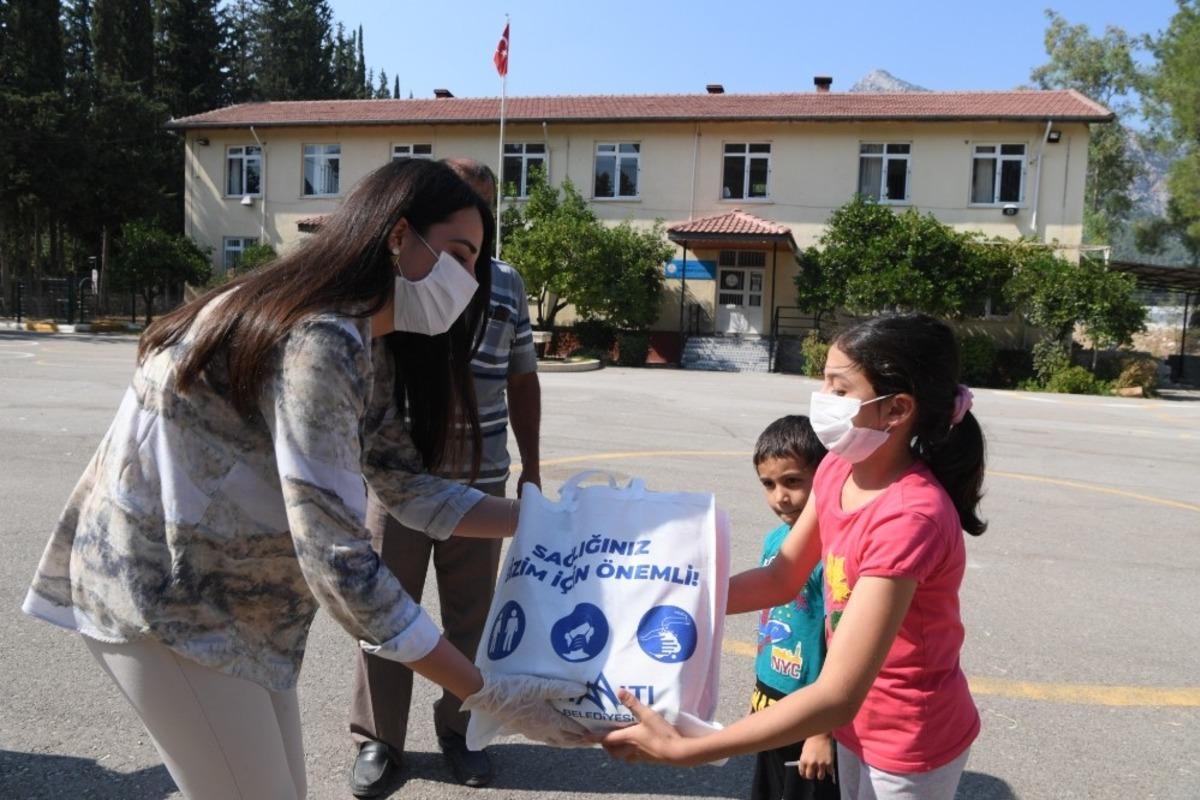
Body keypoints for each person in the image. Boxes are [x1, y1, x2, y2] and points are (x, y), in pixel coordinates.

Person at [21, 159, 586, 800]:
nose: (467, 282)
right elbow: (341, 563)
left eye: (476, 265)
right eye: (457, 255)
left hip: (237, 610)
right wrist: (490, 695)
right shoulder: (320, 338)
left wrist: (549, 522)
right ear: (398, 236)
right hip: (171, 605)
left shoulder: (358, 335)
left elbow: (405, 485)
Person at [599, 314, 986, 800]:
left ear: (896, 409)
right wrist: (671, 599)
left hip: (910, 739)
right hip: (855, 722)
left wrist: (693, 748)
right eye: (823, 381)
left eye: (839, 388)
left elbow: (836, 695)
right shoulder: (839, 471)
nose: (822, 398)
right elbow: (781, 577)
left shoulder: (910, 518)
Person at [348, 158, 541, 795]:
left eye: (481, 217)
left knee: (474, 618)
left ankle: (460, 731)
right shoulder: (396, 287)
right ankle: (380, 741)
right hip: (399, 479)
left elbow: (522, 378)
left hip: (481, 481)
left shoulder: (508, 286)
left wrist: (532, 471)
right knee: (386, 613)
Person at [748, 416, 837, 800]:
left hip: (810, 712)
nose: (779, 497)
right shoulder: (776, 539)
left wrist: (822, 731)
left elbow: (841, 643)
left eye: (793, 481)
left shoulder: (831, 552)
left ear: (824, 477)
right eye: (768, 484)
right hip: (770, 702)